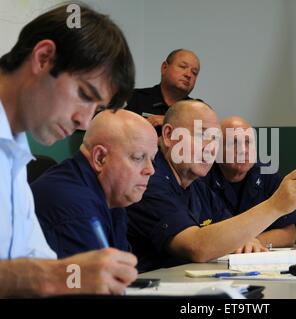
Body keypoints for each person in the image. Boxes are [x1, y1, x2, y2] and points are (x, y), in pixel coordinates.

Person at [0, 5, 138, 297]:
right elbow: (42, 273)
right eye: (84, 95)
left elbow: (35, 260)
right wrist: (52, 277)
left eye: (96, 109)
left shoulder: (16, 152)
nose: (84, 121)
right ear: (44, 57)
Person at [127, 100, 296, 272]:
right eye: (202, 135)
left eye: (215, 139)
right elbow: (197, 246)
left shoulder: (196, 185)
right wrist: (275, 206)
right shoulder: (149, 178)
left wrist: (248, 241)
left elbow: (231, 232)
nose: (211, 147)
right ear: (169, 135)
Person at [32, 109, 158, 258]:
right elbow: (80, 280)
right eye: (138, 157)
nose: (151, 170)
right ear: (99, 158)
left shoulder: (113, 198)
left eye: (152, 159)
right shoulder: (73, 206)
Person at [205, 116, 296, 249]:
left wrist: (248, 242)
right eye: (234, 143)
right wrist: (239, 242)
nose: (243, 150)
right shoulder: (202, 176)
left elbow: (288, 234)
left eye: (248, 142)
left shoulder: (267, 173)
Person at [126, 49, 200, 132]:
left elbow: (211, 135)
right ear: (164, 68)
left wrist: (172, 123)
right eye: (183, 67)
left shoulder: (198, 109)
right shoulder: (133, 98)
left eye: (194, 72)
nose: (188, 75)